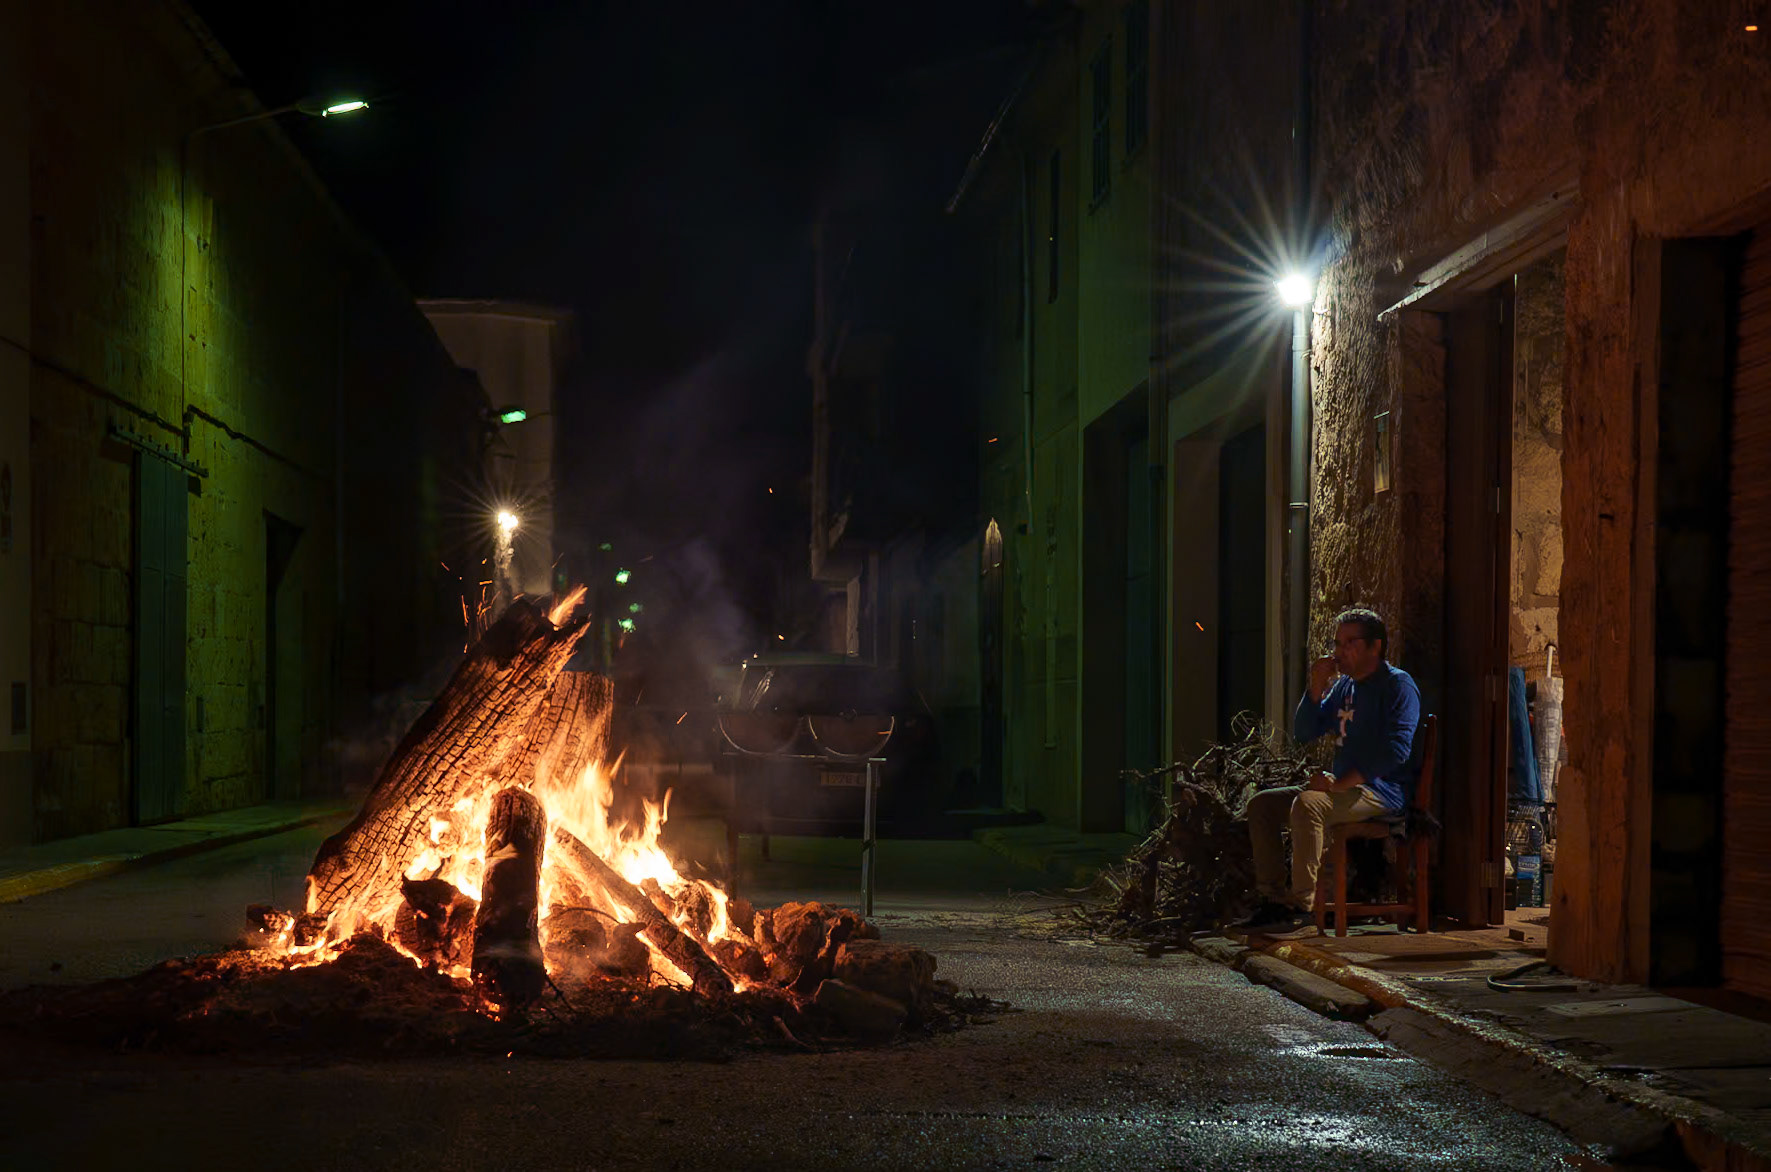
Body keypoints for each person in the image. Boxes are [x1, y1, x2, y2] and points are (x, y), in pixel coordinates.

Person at [1240, 607, 1422, 928]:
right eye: (1337, 643)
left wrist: (1339, 784)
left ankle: (1303, 906)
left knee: (1309, 804)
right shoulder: (1344, 688)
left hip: (1381, 791)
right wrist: (1315, 687)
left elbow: (1396, 752)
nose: (1338, 652)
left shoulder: (1397, 686)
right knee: (1262, 805)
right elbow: (1304, 732)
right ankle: (1273, 898)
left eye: (1348, 643)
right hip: (1342, 788)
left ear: (1375, 646)